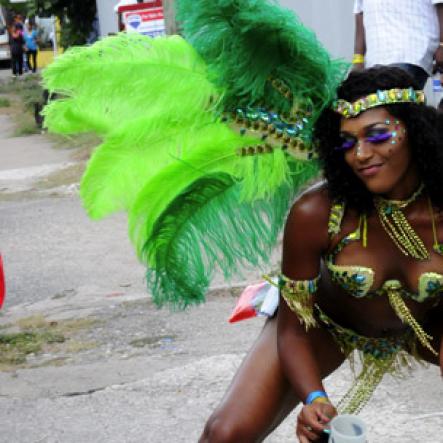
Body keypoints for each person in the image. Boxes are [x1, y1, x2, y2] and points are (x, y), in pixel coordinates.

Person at [199, 66, 443, 442]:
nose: (361, 154)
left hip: (423, 325)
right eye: (347, 142)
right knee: (226, 432)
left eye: (377, 135)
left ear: (417, 130)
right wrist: (312, 398)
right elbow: (294, 327)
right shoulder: (316, 213)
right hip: (323, 327)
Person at [353, 0, 443, 89]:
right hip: (375, 59)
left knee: (395, 100)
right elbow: (360, 14)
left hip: (409, 52)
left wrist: (442, 44)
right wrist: (358, 61)